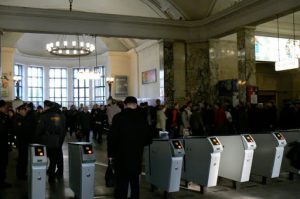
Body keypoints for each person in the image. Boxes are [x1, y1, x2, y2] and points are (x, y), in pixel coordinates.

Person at [107, 96, 152, 199]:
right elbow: (149, 139)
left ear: (125, 104)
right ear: (136, 105)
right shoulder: (142, 118)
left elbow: (112, 139)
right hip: (136, 157)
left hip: (121, 157)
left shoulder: (118, 117)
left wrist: (110, 155)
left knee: (121, 186)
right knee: (135, 185)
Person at [35, 100, 66, 183]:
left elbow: (40, 129)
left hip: (45, 140)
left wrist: (36, 139)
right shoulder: (61, 115)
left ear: (47, 107)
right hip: (57, 140)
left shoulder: (44, 115)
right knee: (54, 159)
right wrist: (60, 140)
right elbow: (63, 129)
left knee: (42, 158)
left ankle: (39, 176)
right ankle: (51, 177)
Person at [0, 100, 12, 189]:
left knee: (3, 163)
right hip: (1, 144)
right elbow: (4, 130)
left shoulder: (4, 116)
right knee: (2, 163)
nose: (6, 109)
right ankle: (1, 182)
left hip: (3, 143)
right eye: (5, 107)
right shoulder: (2, 117)